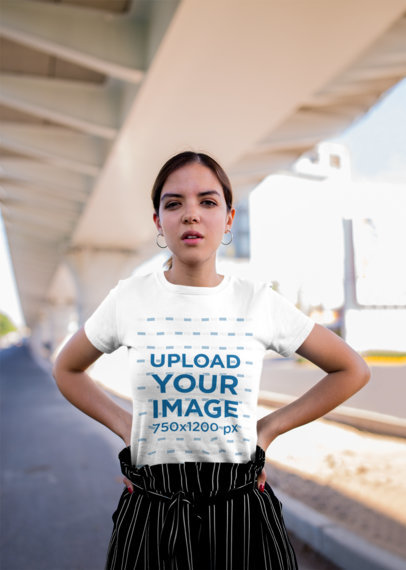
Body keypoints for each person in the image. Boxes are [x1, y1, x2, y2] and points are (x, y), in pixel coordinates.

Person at [53, 151, 370, 570]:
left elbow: (352, 369)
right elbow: (67, 368)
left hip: (241, 511)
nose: (190, 215)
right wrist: (127, 428)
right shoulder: (128, 298)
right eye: (173, 203)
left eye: (207, 201)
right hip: (154, 510)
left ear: (229, 218)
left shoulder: (257, 301)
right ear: (158, 222)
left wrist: (269, 429)